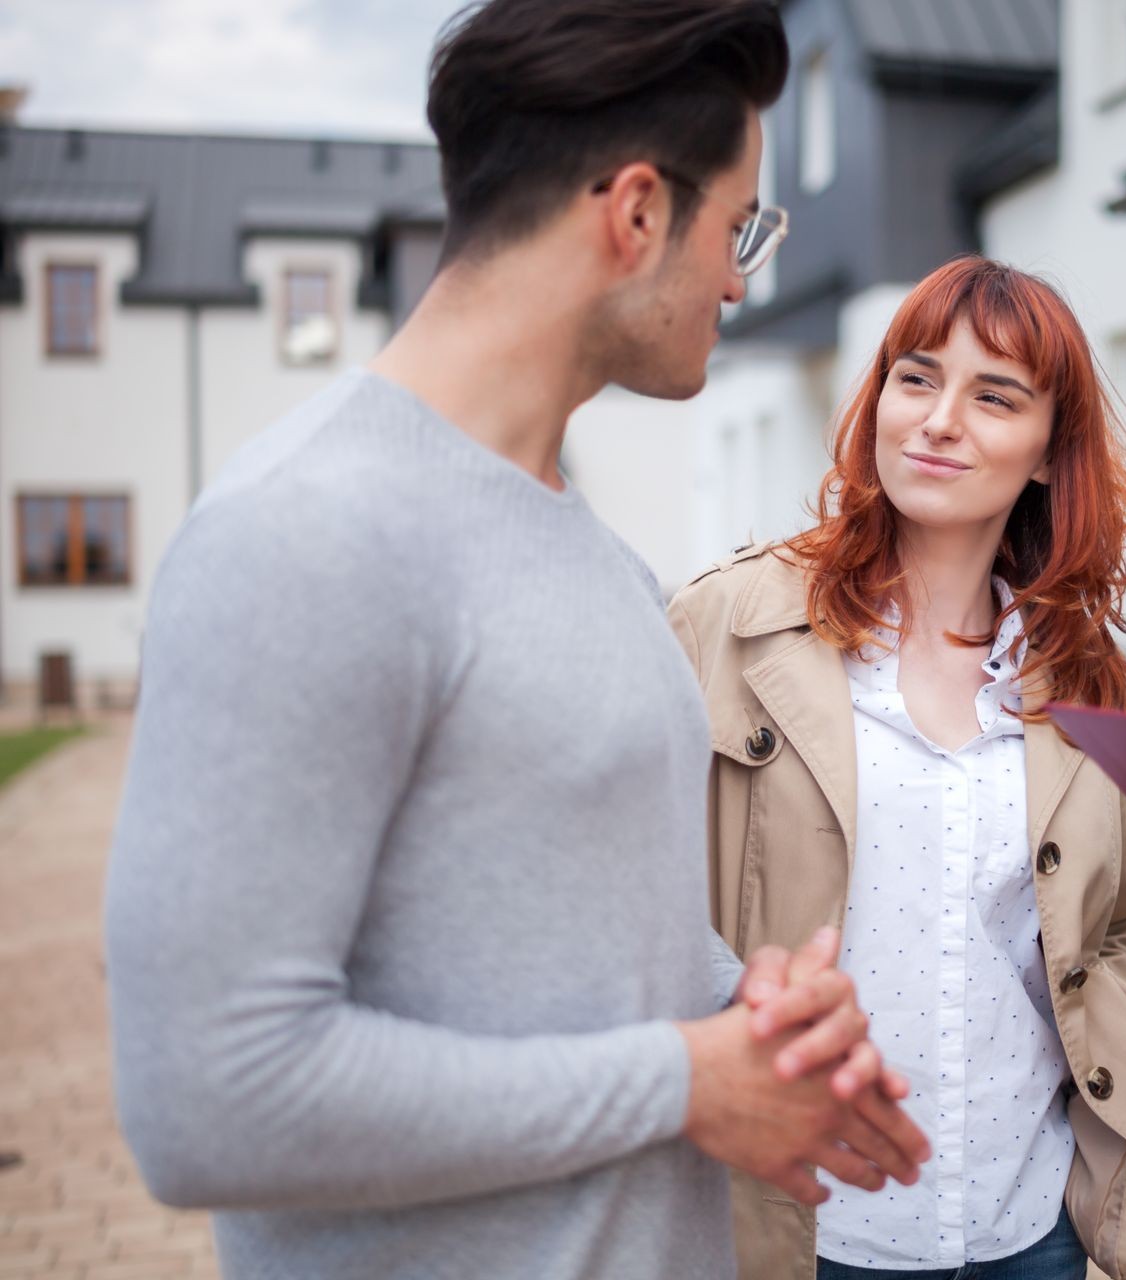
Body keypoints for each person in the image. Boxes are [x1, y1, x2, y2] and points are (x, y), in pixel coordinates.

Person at [103, 3, 928, 1277]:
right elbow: (208, 1096)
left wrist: (748, 1017)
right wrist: (684, 1080)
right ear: (637, 212)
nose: (741, 279)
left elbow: (596, 957)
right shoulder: (303, 532)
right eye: (739, 228)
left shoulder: (600, 559)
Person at [669, 256, 1126, 1280]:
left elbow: (1104, 937)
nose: (937, 419)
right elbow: (637, 902)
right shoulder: (725, 626)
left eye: (994, 395)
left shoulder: (1084, 675)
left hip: (1024, 1220)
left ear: (1052, 454)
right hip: (801, 1222)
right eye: (916, 377)